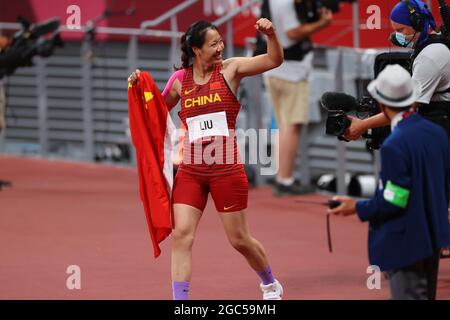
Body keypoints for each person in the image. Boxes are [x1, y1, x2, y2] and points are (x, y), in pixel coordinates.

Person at [128, 18, 284, 300]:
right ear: (197, 50)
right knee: (182, 236)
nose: (221, 47)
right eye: (214, 44)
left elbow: (274, 60)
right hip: (191, 172)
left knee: (239, 240)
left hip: (226, 170)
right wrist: (140, 87)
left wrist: (271, 34)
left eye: (221, 42)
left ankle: (270, 284)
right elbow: (156, 113)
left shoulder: (231, 69)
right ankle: (181, 301)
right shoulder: (179, 81)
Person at [329, 64, 450, 300]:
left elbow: (394, 200)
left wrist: (356, 206)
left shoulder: (395, 145)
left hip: (406, 241)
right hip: (433, 237)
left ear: (382, 105)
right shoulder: (437, 134)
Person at [344, 0, 450, 140]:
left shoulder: (429, 57)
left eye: (401, 30)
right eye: (395, 30)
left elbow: (404, 108)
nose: (397, 35)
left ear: (418, 24)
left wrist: (362, 125)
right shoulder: (433, 44)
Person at [261, 0, 332, 196]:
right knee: (291, 126)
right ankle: (285, 179)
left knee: (283, 124)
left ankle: (280, 176)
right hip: (291, 71)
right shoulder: (286, 4)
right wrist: (322, 24)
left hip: (272, 68)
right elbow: (292, 34)